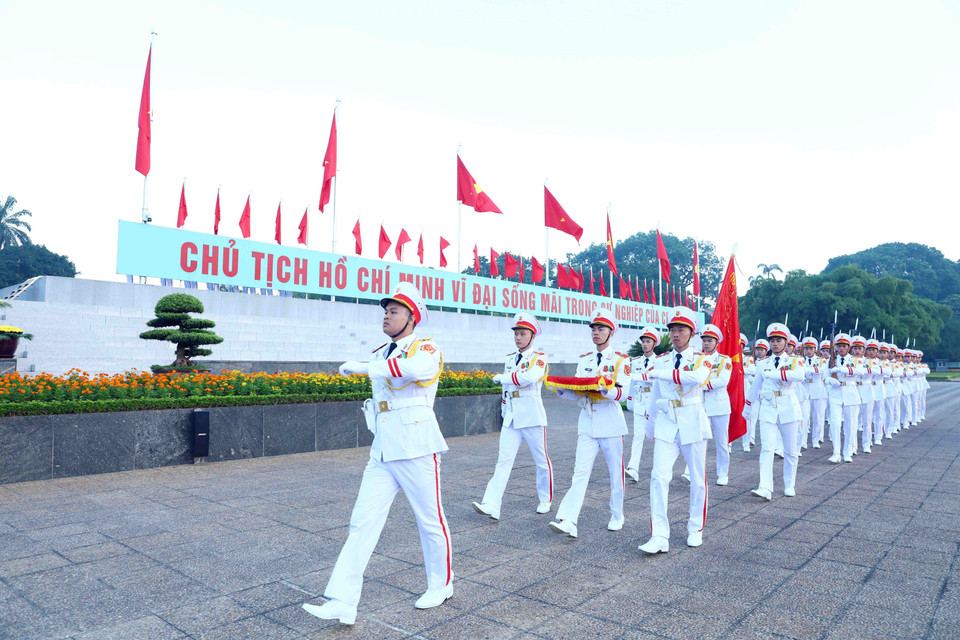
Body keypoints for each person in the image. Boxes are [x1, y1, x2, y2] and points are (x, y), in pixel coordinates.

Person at [302, 283, 452, 625]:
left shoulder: (426, 347)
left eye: (394, 311)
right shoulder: (380, 350)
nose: (387, 315)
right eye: (385, 310)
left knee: (430, 521)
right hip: (384, 447)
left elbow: (418, 371)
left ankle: (441, 584)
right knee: (362, 521)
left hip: (417, 445)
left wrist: (364, 367)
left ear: (412, 318)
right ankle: (342, 600)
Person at [548, 310, 630, 538]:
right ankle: (568, 520)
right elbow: (579, 393)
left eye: (601, 329)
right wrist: (563, 390)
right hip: (587, 421)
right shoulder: (585, 359)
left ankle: (617, 514)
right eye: (593, 329)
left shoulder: (621, 360)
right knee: (579, 473)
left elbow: (623, 394)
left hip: (611, 422)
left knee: (615, 473)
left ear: (611, 332)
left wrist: (607, 388)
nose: (596, 332)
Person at [638, 307, 712, 554]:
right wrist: (650, 424)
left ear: (692, 333)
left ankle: (695, 528)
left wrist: (660, 373)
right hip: (667, 422)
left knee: (698, 480)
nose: (676, 334)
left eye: (682, 330)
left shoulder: (702, 359)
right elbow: (655, 395)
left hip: (692, 420)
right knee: (658, 477)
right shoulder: (662, 359)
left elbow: (696, 378)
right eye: (673, 330)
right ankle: (659, 535)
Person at [473, 312, 554, 520]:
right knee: (503, 460)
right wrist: (503, 410)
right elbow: (506, 391)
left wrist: (504, 378)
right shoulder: (510, 358)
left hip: (532, 415)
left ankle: (545, 499)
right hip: (511, 416)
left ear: (532, 336)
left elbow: (530, 377)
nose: (518, 337)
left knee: (541, 461)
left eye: (523, 333)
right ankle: (492, 504)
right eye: (516, 333)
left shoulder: (539, 358)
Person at [743, 323, 805, 500]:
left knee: (791, 451)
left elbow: (800, 376)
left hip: (788, 407)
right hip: (768, 408)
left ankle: (789, 484)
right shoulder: (763, 364)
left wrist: (776, 375)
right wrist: (747, 409)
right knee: (767, 449)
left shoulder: (795, 361)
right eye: (772, 341)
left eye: (779, 340)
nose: (775, 344)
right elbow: (755, 388)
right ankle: (765, 487)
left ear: (786, 342)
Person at [691, 324, 733, 486]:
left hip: (720, 406)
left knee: (722, 442)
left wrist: (699, 384)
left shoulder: (724, 360)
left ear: (717, 342)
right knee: (699, 440)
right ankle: (695, 472)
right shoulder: (697, 359)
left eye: (709, 341)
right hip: (701, 405)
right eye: (704, 341)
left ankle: (723, 473)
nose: (706, 344)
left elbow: (722, 382)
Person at [626, 326, 661, 483]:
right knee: (637, 436)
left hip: (654, 403)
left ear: (654, 344)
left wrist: (638, 376)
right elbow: (631, 383)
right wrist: (630, 401)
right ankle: (633, 468)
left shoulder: (660, 361)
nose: (645, 345)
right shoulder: (635, 362)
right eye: (643, 342)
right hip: (640, 401)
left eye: (648, 342)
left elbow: (653, 378)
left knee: (659, 438)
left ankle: (659, 469)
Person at [824, 333, 866, 463]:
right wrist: (831, 380)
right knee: (835, 423)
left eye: (844, 346)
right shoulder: (830, 360)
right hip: (836, 393)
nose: (841, 349)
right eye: (839, 346)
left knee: (850, 424)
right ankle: (836, 453)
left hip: (850, 392)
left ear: (849, 347)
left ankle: (847, 452)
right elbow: (824, 377)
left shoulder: (855, 360)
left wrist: (842, 369)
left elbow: (861, 372)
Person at [742, 338, 768, 452]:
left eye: (762, 349)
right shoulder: (753, 360)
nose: (759, 352)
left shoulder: (749, 360)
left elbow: (752, 371)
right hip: (752, 392)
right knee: (752, 417)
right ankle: (751, 438)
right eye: (758, 349)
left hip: (764, 392)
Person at [801, 337, 827, 449]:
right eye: (806, 348)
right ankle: (803, 441)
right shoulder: (800, 360)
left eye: (810, 348)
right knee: (804, 417)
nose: (808, 351)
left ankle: (816, 439)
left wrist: (806, 369)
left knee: (818, 417)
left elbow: (820, 370)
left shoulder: (822, 360)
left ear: (815, 349)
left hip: (818, 389)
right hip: (805, 388)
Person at [850, 336, 871, 454]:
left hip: (866, 388)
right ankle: (853, 447)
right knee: (853, 420)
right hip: (853, 388)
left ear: (864, 350)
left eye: (860, 348)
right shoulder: (849, 361)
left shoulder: (870, 361)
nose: (857, 351)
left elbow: (877, 370)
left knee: (867, 419)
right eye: (855, 348)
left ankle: (866, 444)